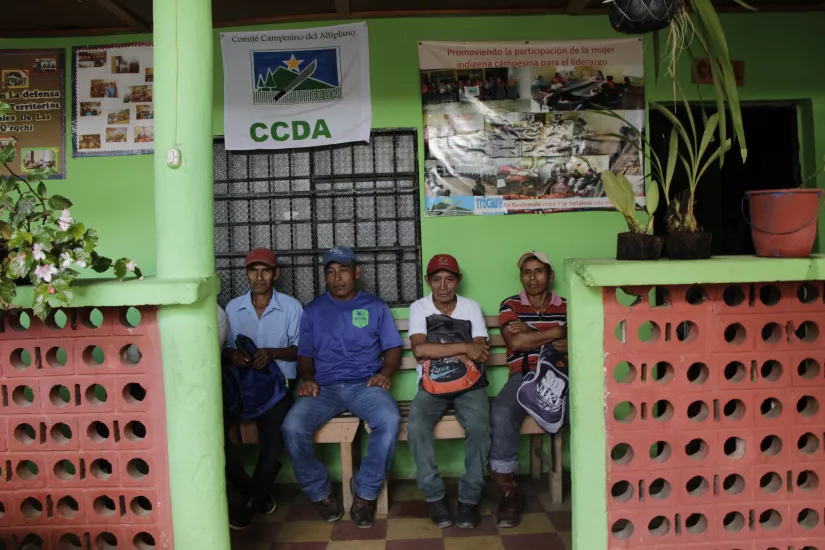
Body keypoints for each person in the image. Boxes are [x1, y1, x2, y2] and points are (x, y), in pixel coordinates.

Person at [282, 246, 403, 528]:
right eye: (331, 272)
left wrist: (385, 373)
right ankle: (320, 493)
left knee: (389, 418)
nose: (337, 278)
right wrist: (308, 378)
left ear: (356, 273)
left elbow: (393, 348)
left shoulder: (375, 307)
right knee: (291, 426)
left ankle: (365, 492)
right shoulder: (313, 310)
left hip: (365, 385)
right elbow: (304, 355)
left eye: (343, 270)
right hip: (324, 388)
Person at [407, 254, 491, 529]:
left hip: (469, 383)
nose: (443, 286)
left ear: (458, 281)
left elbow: (480, 351)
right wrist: (464, 347)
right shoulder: (419, 308)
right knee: (417, 426)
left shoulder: (471, 307)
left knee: (480, 427)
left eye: (449, 279)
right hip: (432, 385)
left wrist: (451, 349)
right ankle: (435, 498)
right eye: (436, 279)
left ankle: (468, 500)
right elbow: (420, 350)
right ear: (428, 281)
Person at [222, 248, 303, 529]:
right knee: (214, 436)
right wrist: (234, 356)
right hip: (240, 387)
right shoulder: (233, 308)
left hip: (277, 389)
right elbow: (223, 349)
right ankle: (255, 493)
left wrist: (270, 353)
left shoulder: (291, 306)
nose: (259, 277)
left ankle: (249, 504)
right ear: (246, 274)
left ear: (275, 274)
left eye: (265, 271)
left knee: (274, 441)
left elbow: (299, 351)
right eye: (253, 271)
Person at [490, 251, 567, 528]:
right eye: (527, 272)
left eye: (539, 271)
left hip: (560, 377)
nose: (532, 278)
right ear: (521, 276)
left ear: (550, 275)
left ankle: (599, 479)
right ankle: (508, 492)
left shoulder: (567, 306)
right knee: (500, 413)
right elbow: (517, 344)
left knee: (591, 412)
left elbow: (579, 343)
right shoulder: (509, 305)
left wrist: (531, 332)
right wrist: (557, 333)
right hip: (523, 376)